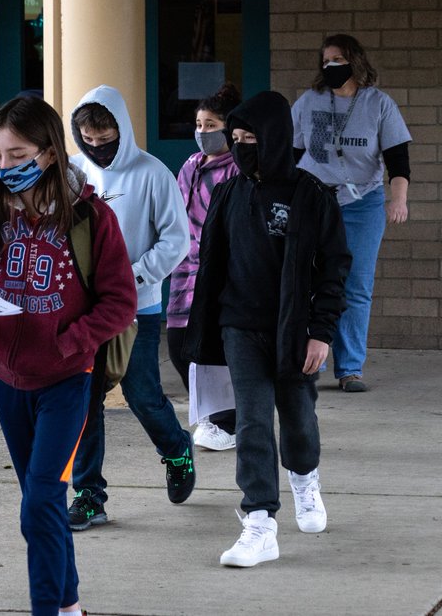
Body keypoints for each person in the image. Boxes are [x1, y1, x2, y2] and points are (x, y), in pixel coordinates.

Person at [0, 94, 136, 616]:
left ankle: (48, 609)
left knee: (41, 501)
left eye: (17, 154)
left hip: (67, 380)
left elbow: (120, 301)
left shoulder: (91, 217)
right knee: (41, 503)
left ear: (49, 153)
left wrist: (70, 341)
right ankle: (70, 607)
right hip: (5, 378)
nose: (5, 167)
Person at [183, 90, 350, 568]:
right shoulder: (229, 192)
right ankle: (259, 520)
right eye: (234, 139)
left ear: (275, 138)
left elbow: (334, 267)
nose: (239, 147)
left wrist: (321, 331)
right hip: (240, 327)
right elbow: (212, 262)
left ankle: (304, 478)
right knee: (253, 421)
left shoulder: (311, 195)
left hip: (294, 331)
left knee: (297, 417)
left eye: (250, 138)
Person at [65, 85, 194, 532]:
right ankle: (88, 494)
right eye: (89, 141)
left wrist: (133, 276)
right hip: (84, 309)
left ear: (122, 130)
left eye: (106, 141)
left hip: (139, 305)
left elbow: (177, 240)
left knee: (140, 394)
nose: (97, 150)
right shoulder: (74, 173)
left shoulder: (152, 173)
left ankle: (176, 449)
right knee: (85, 400)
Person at [291, 33, 412, 392]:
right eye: (326, 61)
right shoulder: (309, 102)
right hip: (315, 201)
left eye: (338, 60)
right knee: (309, 281)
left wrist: (399, 199)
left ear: (354, 62)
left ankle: (350, 368)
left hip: (363, 203)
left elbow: (398, 159)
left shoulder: (378, 104)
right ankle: (312, 361)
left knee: (355, 285)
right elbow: (292, 153)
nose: (331, 66)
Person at [166, 83, 241, 452]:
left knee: (214, 348)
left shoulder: (237, 170)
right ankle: (214, 414)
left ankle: (228, 421)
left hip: (217, 271)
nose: (202, 132)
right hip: (185, 269)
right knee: (180, 343)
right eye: (199, 124)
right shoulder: (191, 165)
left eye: (211, 124)